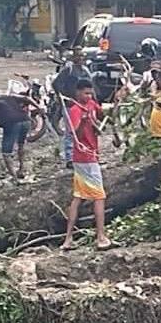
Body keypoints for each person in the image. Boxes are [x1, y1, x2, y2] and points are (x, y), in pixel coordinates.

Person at [62, 79, 114, 251]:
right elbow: (74, 134)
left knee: (78, 197)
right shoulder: (75, 110)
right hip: (85, 158)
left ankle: (68, 239)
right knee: (99, 197)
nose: (89, 96)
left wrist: (112, 108)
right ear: (77, 93)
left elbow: (102, 115)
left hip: (90, 156)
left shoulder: (91, 103)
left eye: (91, 93)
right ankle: (100, 236)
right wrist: (84, 122)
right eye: (85, 93)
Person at [0, 90, 39, 178]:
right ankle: (21, 169)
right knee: (21, 144)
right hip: (26, 121)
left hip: (12, 125)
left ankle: (14, 178)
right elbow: (26, 98)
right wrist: (39, 108)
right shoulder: (9, 97)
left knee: (6, 153)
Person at [52, 50, 94, 167]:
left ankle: (85, 154)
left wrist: (94, 101)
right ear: (73, 57)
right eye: (78, 56)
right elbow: (56, 84)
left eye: (82, 56)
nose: (81, 58)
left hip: (83, 105)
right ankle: (70, 158)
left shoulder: (85, 70)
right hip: (70, 105)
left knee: (85, 130)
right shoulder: (68, 70)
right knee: (71, 131)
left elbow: (91, 87)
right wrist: (63, 97)